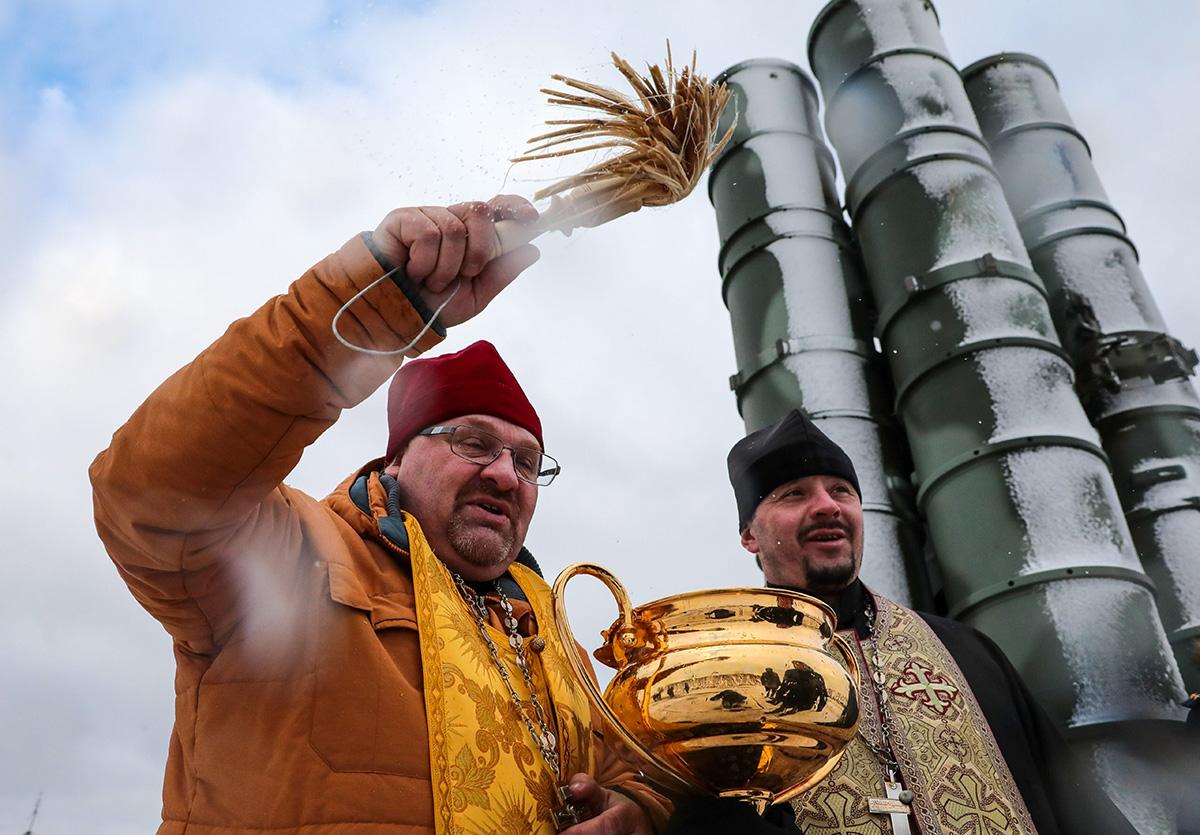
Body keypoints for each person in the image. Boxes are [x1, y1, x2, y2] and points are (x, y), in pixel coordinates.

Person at [89, 196, 668, 835]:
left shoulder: (551, 634)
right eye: (472, 443)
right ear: (394, 462)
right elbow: (151, 493)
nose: (505, 473)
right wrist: (376, 309)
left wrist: (639, 808)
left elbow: (630, 766)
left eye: (528, 462)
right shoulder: (293, 554)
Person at [715, 408, 1136, 835]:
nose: (826, 506)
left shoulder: (969, 653)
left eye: (841, 490)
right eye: (794, 494)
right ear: (750, 534)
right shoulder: (729, 680)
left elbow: (1080, 807)